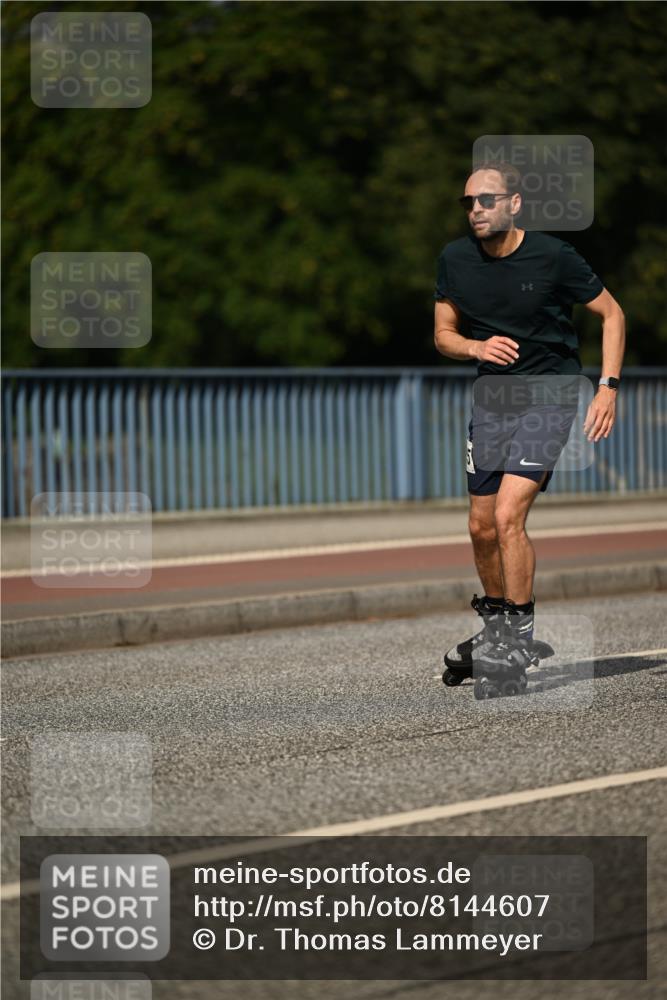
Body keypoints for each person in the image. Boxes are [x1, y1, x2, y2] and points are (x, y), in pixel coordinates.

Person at [434, 162, 625, 687]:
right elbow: (443, 334)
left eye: (486, 200)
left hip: (551, 395)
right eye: (469, 202)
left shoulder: (553, 256)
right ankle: (496, 628)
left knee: (507, 514)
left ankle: (517, 635)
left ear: (514, 203)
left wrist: (607, 387)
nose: (476, 210)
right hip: (493, 400)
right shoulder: (455, 260)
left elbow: (612, 315)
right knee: (479, 525)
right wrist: (474, 346)